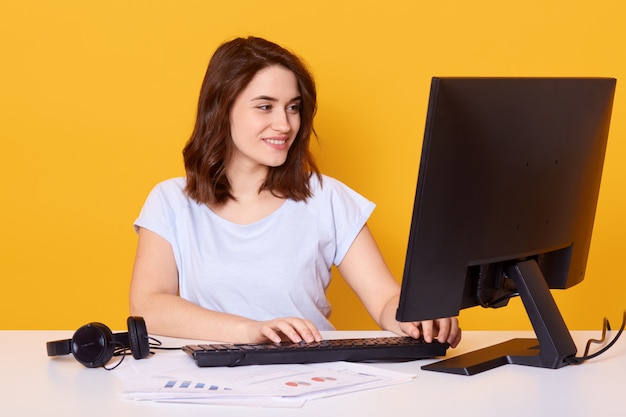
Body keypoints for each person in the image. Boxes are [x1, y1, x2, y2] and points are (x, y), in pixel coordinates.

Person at [129, 36, 461, 348]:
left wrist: (419, 319)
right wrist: (251, 331)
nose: (285, 125)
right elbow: (149, 306)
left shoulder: (326, 197)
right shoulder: (171, 201)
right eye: (264, 106)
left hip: (312, 376)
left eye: (293, 107)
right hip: (213, 383)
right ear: (221, 109)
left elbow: (385, 298)